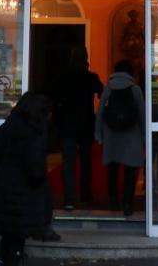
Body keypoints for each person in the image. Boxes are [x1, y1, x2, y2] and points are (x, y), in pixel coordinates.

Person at [0, 93, 49, 266]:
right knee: (18, 237)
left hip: (4, 187)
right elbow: (35, 167)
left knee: (7, 233)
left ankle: (0, 259)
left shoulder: (7, 127)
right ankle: (10, 259)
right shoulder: (34, 132)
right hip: (24, 191)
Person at [95, 59, 145, 218]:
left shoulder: (108, 88)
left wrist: (98, 134)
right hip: (131, 136)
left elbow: (100, 113)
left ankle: (113, 199)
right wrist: (145, 136)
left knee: (113, 168)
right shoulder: (135, 90)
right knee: (130, 171)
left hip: (112, 135)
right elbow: (142, 114)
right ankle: (127, 204)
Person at [56, 46, 103, 208]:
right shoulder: (91, 77)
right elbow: (102, 93)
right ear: (86, 59)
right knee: (85, 160)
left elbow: (56, 98)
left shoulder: (64, 77)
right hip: (85, 124)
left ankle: (69, 198)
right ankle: (85, 192)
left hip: (68, 124)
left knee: (68, 161)